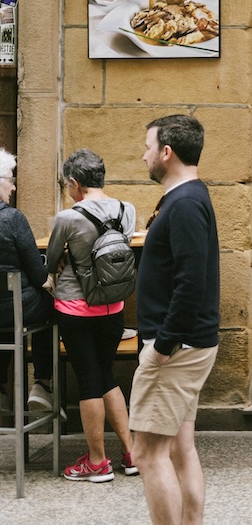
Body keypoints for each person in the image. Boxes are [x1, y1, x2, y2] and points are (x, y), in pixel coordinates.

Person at [131, 115, 220, 525]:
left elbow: (190, 281)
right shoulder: (186, 198)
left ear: (167, 152)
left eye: (149, 146)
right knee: (180, 448)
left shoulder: (184, 202)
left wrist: (163, 345)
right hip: (187, 343)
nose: (144, 154)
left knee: (148, 453)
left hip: (176, 348)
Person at [45, 149, 138, 482]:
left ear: (75, 183)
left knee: (88, 379)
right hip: (114, 308)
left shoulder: (67, 218)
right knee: (106, 374)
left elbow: (51, 259)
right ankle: (130, 454)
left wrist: (67, 255)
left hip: (76, 307)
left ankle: (97, 463)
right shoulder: (127, 210)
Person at [0, 149, 54, 417]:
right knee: (50, 303)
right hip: (16, 310)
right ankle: (42, 383)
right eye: (9, 179)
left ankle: (1, 385)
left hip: (5, 313)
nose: (13, 185)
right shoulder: (12, 218)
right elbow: (39, 275)